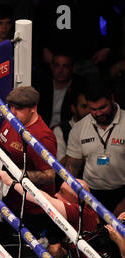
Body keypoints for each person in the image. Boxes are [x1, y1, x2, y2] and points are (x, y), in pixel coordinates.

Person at [0, 169, 125, 258]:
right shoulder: (84, 210)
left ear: (75, 201)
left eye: (62, 193)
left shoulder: (79, 212)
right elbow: (48, 197)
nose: (56, 195)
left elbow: (43, 199)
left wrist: (10, 182)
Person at [0, 86, 62, 246]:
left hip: (30, 209)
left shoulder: (42, 137)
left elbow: (49, 176)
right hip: (9, 199)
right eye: (10, 106)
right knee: (3, 249)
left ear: (33, 108)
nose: (12, 111)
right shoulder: (12, 119)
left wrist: (14, 173)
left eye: (18, 108)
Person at [64, 82, 125, 213]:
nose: (98, 113)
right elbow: (72, 167)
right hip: (91, 194)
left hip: (122, 193)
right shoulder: (79, 128)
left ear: (112, 100)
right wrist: (69, 197)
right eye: (93, 109)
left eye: (102, 108)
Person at [35, 51, 87, 129]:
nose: (60, 70)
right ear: (51, 66)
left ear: (73, 68)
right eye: (56, 65)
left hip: (69, 132)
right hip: (43, 131)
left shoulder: (80, 86)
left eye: (65, 66)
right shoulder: (42, 85)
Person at [52, 87, 90, 164]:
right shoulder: (60, 130)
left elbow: (105, 161)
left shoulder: (100, 128)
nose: (89, 111)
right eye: (84, 106)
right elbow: (60, 163)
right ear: (73, 108)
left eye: (91, 106)